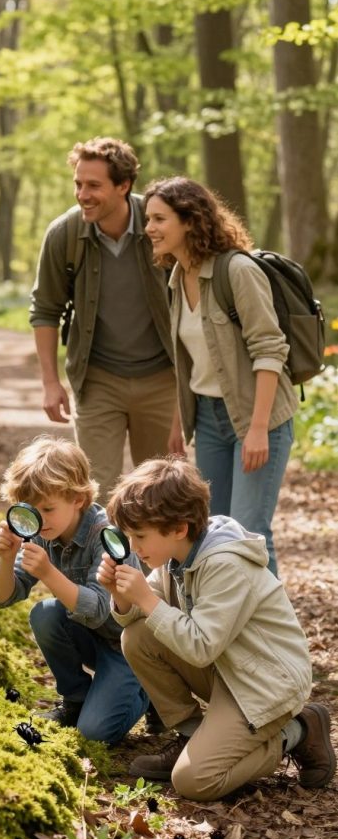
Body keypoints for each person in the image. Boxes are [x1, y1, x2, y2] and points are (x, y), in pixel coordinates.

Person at [97, 456, 336, 801]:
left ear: (178, 528)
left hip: (264, 683)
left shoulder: (225, 565)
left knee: (195, 781)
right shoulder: (175, 555)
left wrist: (145, 601)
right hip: (229, 669)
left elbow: (200, 646)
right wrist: (120, 597)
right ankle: (191, 735)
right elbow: (141, 617)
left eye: (140, 536)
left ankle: (297, 730)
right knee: (136, 637)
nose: (133, 548)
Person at [142, 176, 298, 576]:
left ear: (190, 221)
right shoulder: (176, 278)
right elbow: (189, 360)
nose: (149, 228)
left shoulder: (238, 271)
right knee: (210, 532)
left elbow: (269, 349)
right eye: (148, 219)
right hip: (209, 421)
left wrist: (258, 429)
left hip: (256, 417)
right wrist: (180, 423)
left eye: (159, 218)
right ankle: (224, 632)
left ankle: (272, 636)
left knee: (248, 534)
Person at [29, 137, 180, 504]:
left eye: (94, 185)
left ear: (123, 186)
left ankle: (160, 565)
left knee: (161, 492)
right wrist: (51, 382)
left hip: (162, 379)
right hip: (98, 380)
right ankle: (104, 564)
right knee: (95, 491)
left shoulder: (160, 224)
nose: (83, 194)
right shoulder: (65, 234)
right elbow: (45, 309)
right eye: (78, 184)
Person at [0, 435, 148, 743]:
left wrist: (48, 572)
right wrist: (6, 559)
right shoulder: (41, 530)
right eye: (31, 510)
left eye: (48, 509)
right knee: (45, 614)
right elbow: (4, 597)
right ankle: (75, 699)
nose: (39, 520)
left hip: (127, 647)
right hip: (91, 639)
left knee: (94, 734)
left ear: (78, 499)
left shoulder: (105, 534)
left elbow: (100, 610)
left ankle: (149, 693)